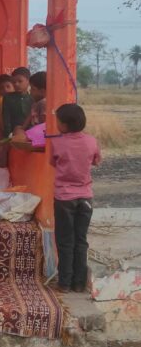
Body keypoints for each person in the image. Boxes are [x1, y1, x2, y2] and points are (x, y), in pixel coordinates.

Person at [50, 104, 101, 293]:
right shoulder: (92, 141)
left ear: (64, 125)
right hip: (86, 197)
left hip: (64, 198)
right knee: (81, 240)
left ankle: (64, 283)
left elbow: (53, 162)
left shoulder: (57, 143)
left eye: (57, 121)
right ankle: (79, 283)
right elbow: (96, 161)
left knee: (65, 240)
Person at [1, 66, 32, 136]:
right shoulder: (8, 98)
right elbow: (6, 118)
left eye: (20, 81)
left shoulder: (32, 98)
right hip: (13, 134)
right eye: (14, 82)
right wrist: (8, 135)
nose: (16, 84)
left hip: (30, 133)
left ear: (28, 81)